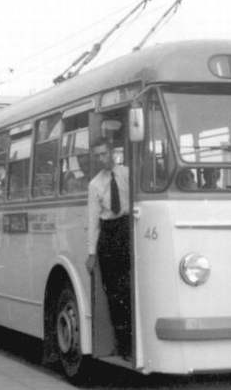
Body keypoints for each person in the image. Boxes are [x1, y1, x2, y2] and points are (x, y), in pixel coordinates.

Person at [86, 137, 131, 359]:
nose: (102, 159)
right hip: (109, 235)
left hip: (127, 230)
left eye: (104, 154)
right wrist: (92, 254)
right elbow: (93, 221)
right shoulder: (95, 184)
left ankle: (133, 342)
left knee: (129, 288)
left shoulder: (127, 174)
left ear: (112, 152)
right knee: (115, 293)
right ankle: (123, 345)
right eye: (98, 156)